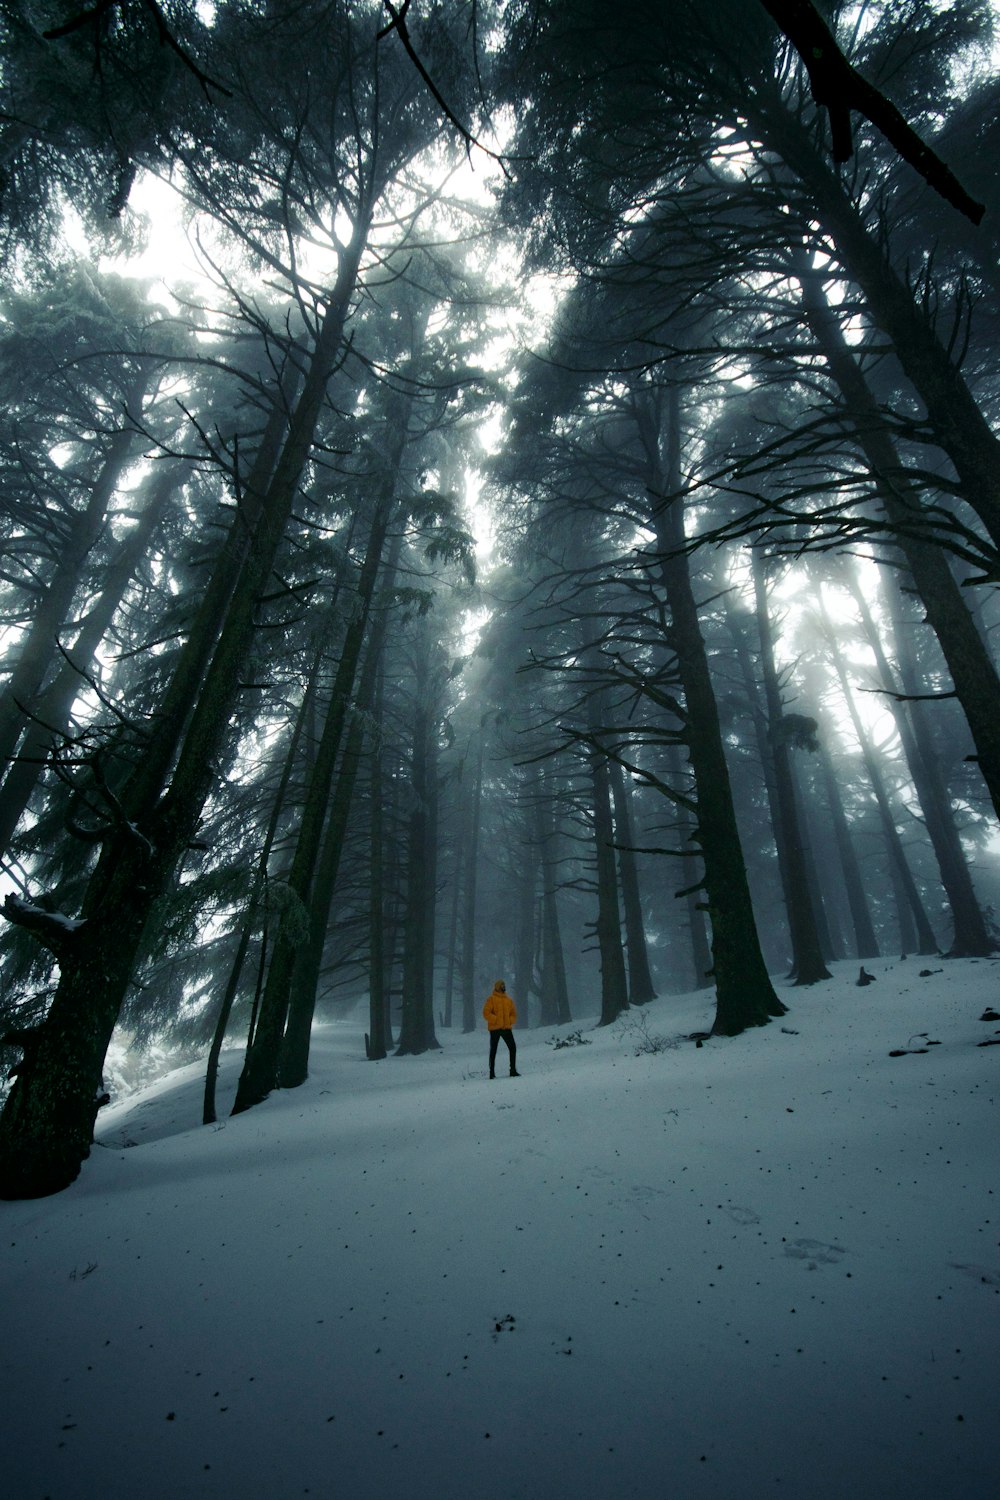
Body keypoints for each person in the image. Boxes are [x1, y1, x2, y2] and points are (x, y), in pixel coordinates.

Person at [482, 979, 519, 1078]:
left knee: (513, 1048)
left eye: (504, 984)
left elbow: (513, 1014)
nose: (503, 986)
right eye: (502, 985)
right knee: (493, 1050)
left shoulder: (509, 1000)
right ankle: (492, 1072)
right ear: (497, 987)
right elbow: (486, 1013)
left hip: (506, 1029)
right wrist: (496, 1020)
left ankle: (513, 1070)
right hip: (495, 1029)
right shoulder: (491, 999)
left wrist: (510, 1021)